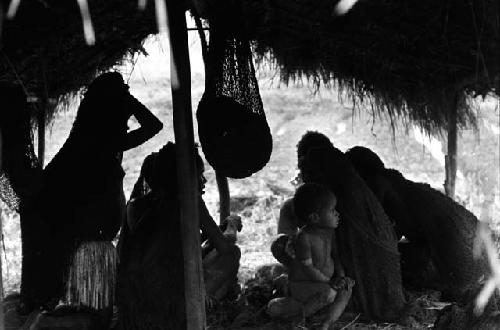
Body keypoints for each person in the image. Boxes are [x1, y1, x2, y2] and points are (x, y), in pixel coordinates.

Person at [38, 72, 163, 314]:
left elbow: (154, 126)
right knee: (92, 316)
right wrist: (127, 99)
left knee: (93, 316)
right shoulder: (96, 145)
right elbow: (152, 125)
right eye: (122, 116)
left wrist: (124, 99)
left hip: (91, 248)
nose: (126, 123)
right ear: (110, 115)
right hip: (86, 252)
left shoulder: (101, 143)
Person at [117, 142, 242, 329]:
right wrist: (232, 223)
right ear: (184, 178)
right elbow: (225, 247)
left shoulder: (138, 205)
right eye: (199, 175)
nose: (204, 181)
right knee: (233, 254)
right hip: (173, 301)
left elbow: (165, 248)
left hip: (135, 299)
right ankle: (205, 304)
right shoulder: (191, 201)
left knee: (207, 250)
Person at [267, 183, 354, 330]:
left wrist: (341, 276)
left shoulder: (330, 233)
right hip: (304, 285)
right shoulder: (304, 238)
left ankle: (327, 322)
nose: (337, 214)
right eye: (332, 210)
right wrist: (330, 282)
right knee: (328, 293)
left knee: (347, 288)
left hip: (325, 283)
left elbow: (336, 256)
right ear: (314, 217)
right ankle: (298, 318)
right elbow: (308, 269)